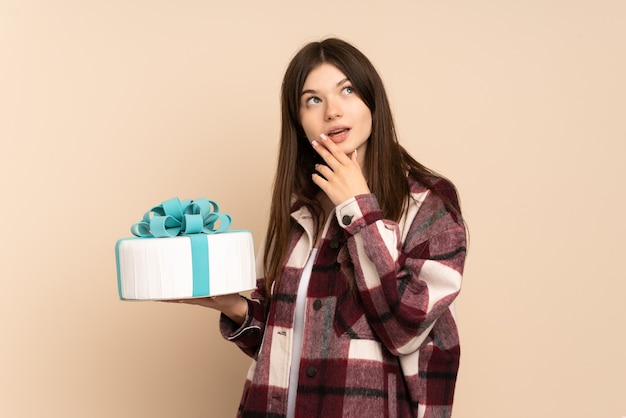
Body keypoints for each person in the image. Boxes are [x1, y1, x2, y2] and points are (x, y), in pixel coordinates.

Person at [180, 38, 467, 418]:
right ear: (299, 121)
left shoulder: (427, 202)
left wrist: (359, 210)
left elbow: (406, 330)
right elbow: (291, 342)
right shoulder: (302, 210)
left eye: (347, 90)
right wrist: (234, 308)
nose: (332, 111)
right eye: (312, 99)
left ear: (372, 102)